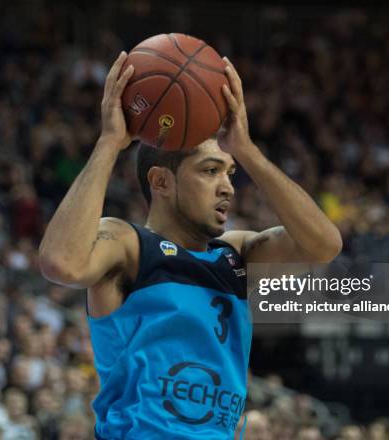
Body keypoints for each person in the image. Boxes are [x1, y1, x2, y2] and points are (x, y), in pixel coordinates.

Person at [39, 51, 342, 439]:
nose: (228, 186)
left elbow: (324, 245)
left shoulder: (235, 255)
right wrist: (109, 143)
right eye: (211, 170)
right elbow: (60, 262)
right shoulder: (129, 245)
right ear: (162, 182)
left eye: (230, 173)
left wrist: (246, 150)